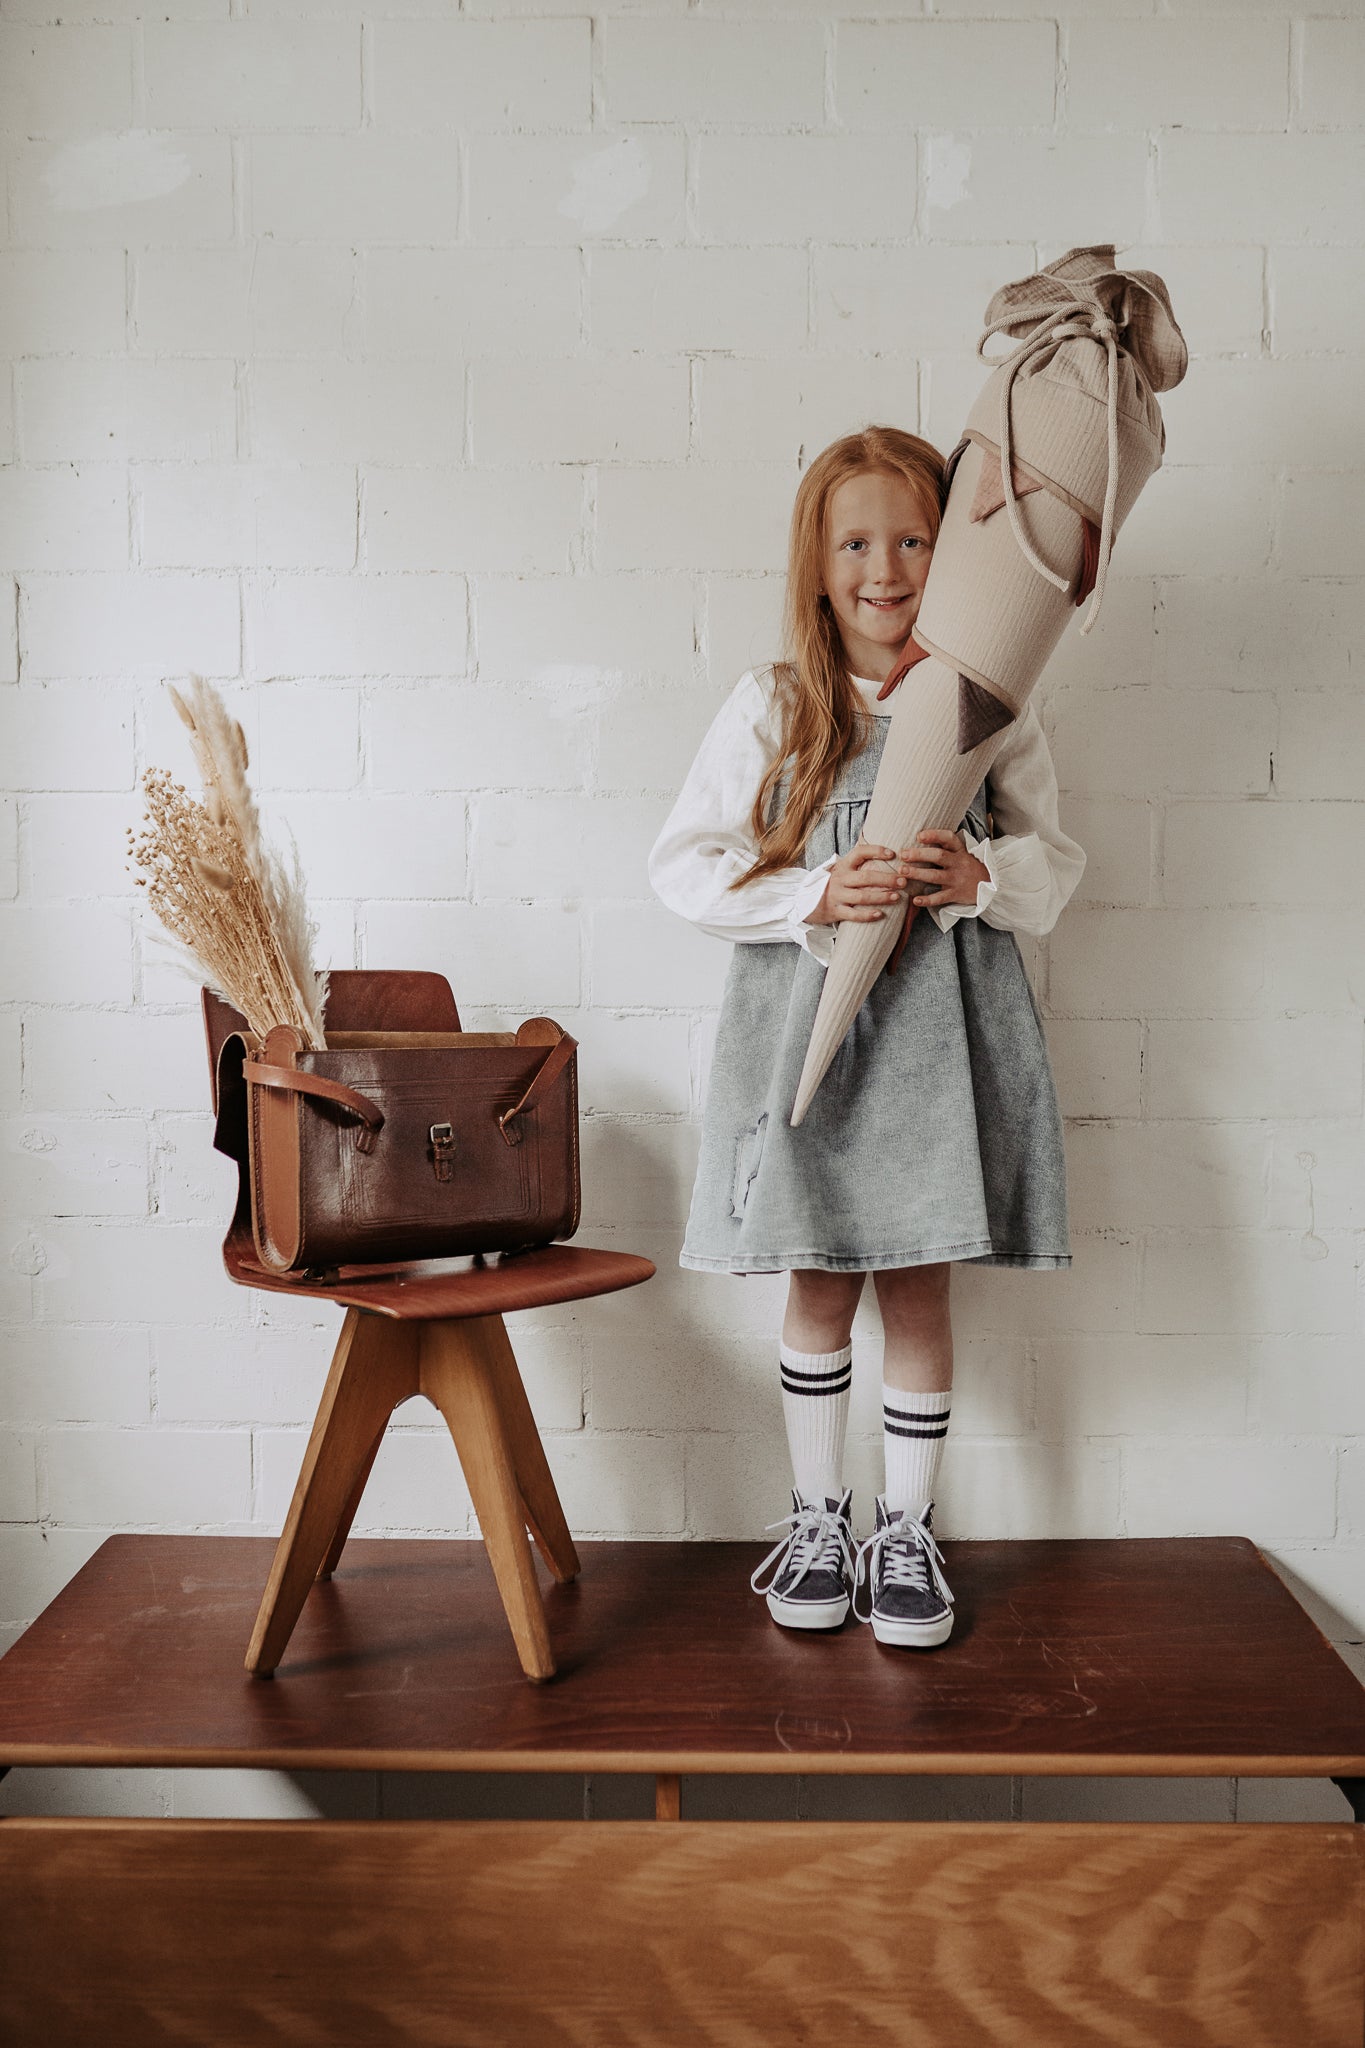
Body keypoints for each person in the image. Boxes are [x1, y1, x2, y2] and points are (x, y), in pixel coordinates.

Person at [648, 426, 1085, 1651]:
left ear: (950, 559)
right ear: (817, 559)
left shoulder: (989, 706)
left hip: (938, 1042)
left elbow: (1056, 867)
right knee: (820, 1277)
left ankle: (905, 1528)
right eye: (856, 541)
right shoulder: (775, 702)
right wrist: (808, 894)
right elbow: (684, 865)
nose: (884, 568)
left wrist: (979, 873)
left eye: (912, 540)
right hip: (817, 1038)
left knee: (919, 1280)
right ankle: (817, 1514)